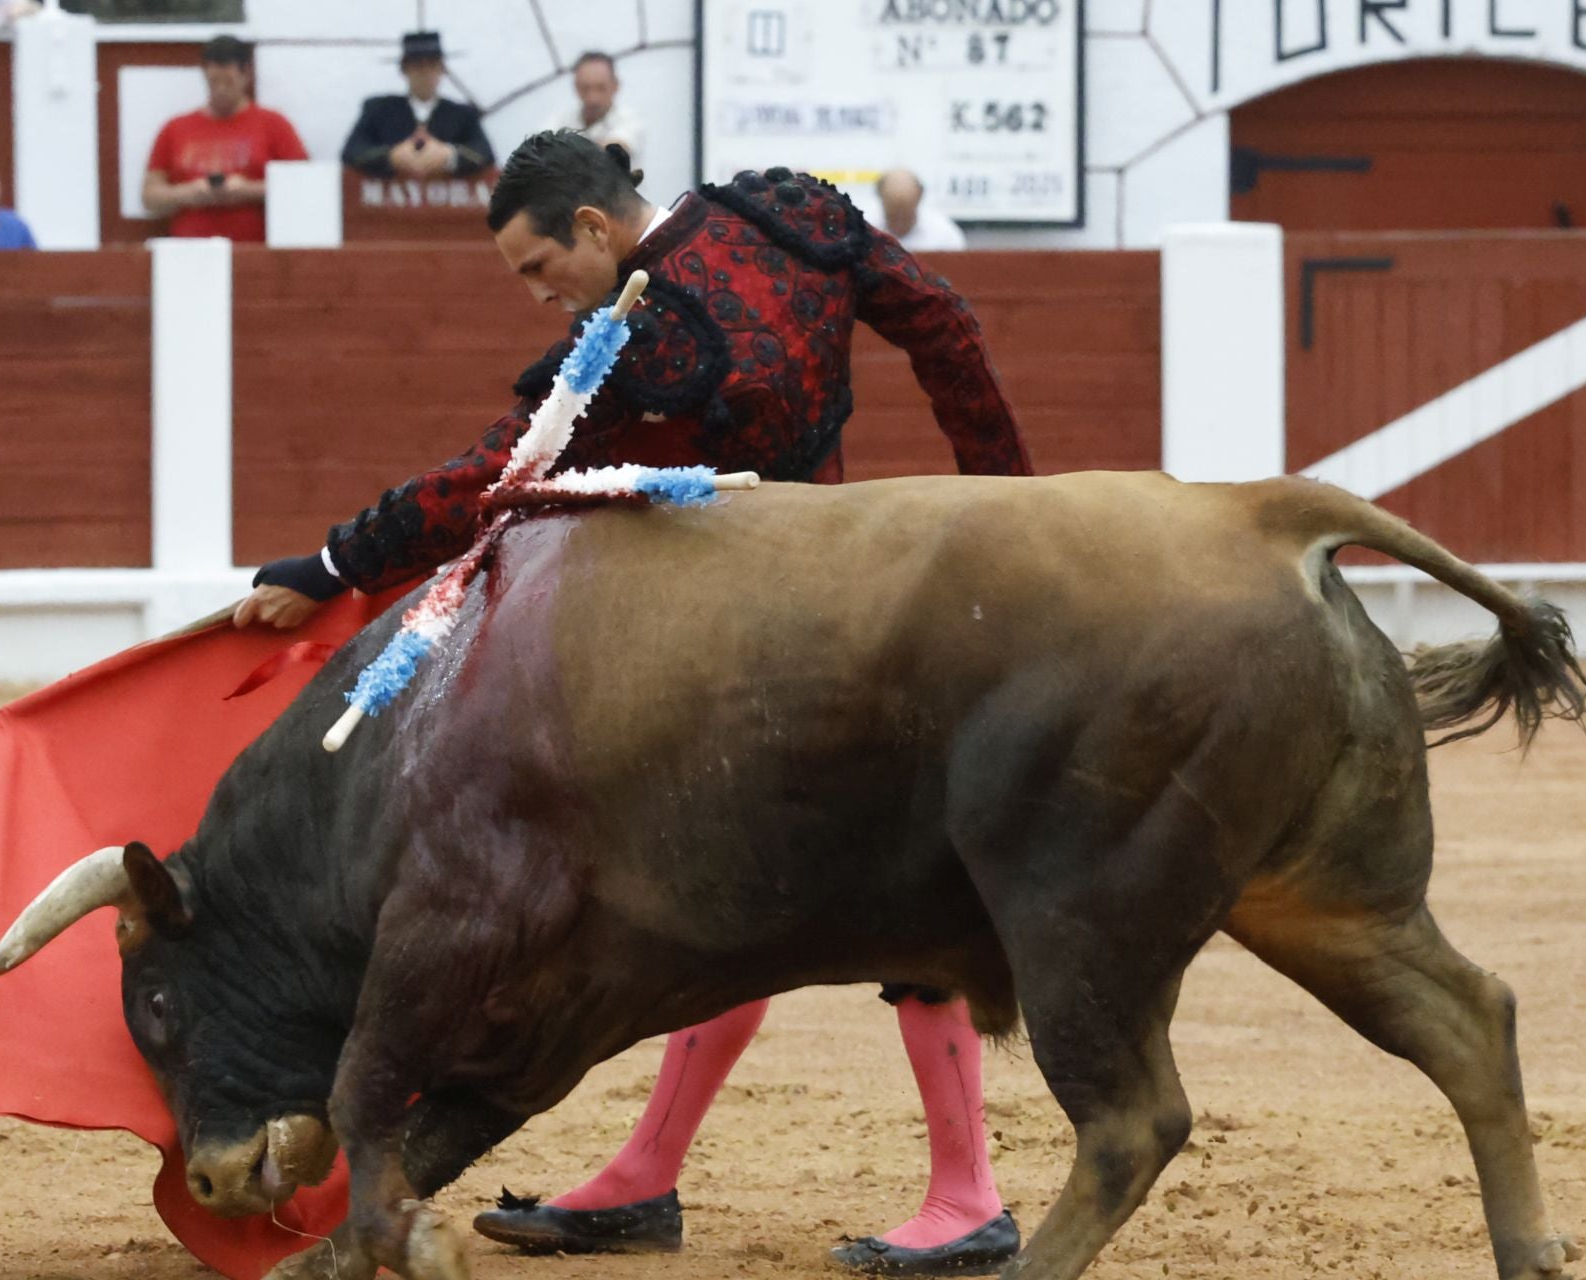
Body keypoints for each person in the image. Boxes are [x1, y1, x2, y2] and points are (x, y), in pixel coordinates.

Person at [233, 129, 1031, 1276]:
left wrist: (331, 561)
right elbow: (947, 327)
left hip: (768, 644)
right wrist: (1005, 509)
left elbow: (491, 477)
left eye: (534, 266)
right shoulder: (783, 207)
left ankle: (968, 1195)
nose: (536, 292)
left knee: (877, 887)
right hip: (868, 597)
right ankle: (647, 1175)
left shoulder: (636, 339)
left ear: (594, 228)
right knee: (745, 895)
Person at [140, 34, 307, 244]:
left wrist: (247, 191)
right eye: (214, 82)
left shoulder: (274, 125)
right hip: (189, 250)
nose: (220, 90)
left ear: (246, 74)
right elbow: (149, 197)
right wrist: (187, 193)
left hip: (254, 251)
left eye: (228, 81)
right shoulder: (174, 128)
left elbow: (303, 188)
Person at [341, 30, 493, 179]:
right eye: (417, 65)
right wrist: (391, 156)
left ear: (442, 69)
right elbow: (352, 152)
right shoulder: (379, 110)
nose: (425, 73)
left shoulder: (463, 115)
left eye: (432, 65)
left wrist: (449, 155)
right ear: (404, 69)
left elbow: (485, 154)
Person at [547, 50, 644, 163]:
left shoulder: (630, 120)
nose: (593, 98)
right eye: (585, 88)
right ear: (576, 87)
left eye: (601, 88)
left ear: (615, 85)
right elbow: (536, 149)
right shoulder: (560, 120)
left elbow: (616, 149)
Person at [853, 169, 967, 254]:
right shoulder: (857, 229)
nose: (900, 222)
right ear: (880, 198)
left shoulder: (944, 234)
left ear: (919, 198)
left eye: (906, 215)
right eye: (892, 216)